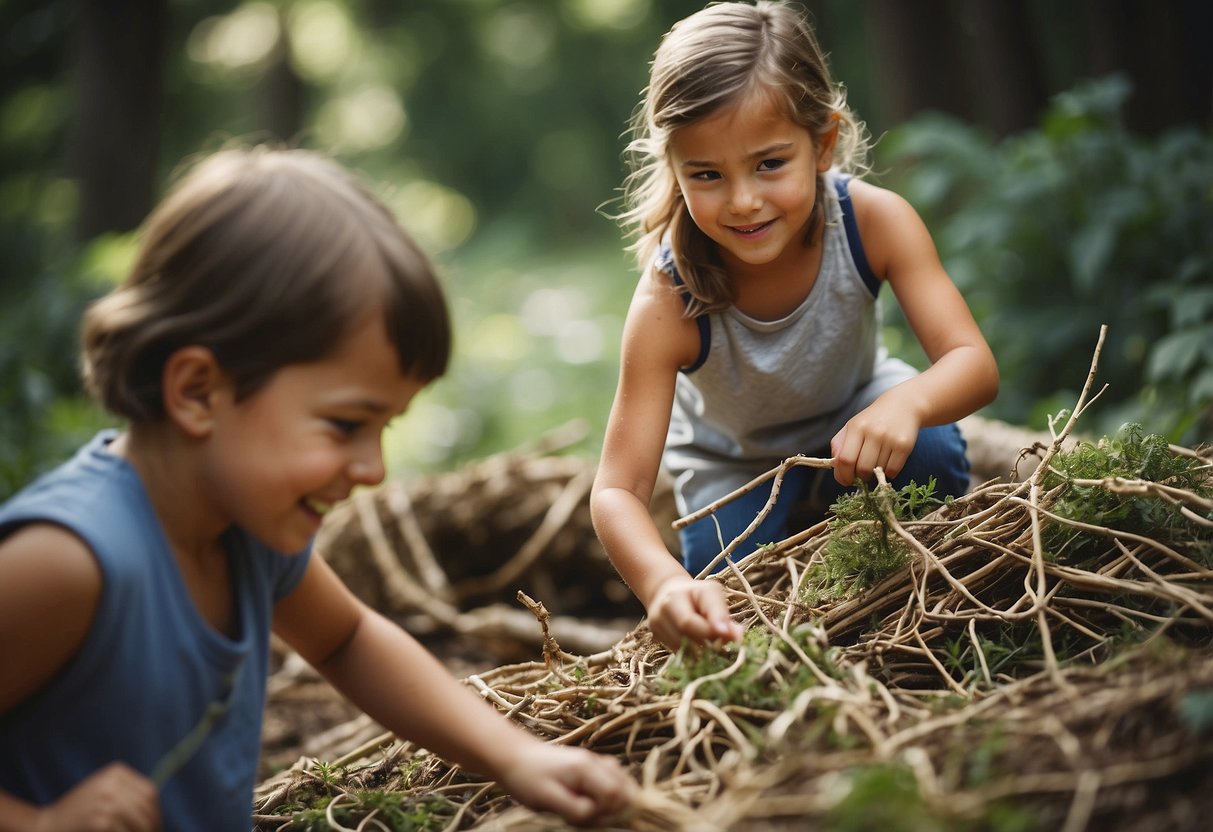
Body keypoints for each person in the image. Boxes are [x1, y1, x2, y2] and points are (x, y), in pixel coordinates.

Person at [0, 146, 636, 831]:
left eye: (386, 427)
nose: (373, 468)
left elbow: (349, 640)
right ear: (197, 391)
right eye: (345, 424)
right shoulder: (68, 563)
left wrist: (514, 757)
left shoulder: (242, 532)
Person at [590, 1, 999, 651]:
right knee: (738, 602)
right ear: (674, 170)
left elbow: (972, 363)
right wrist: (663, 584)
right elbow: (616, 489)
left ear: (823, 142)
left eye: (769, 164)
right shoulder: (669, 300)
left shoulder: (873, 224)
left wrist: (906, 402)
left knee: (930, 452)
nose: (743, 200)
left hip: (857, 410)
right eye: (706, 175)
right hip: (734, 464)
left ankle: (918, 605)